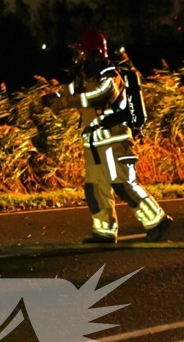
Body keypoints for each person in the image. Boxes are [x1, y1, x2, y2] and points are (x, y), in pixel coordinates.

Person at [42, 30, 171, 243]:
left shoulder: (111, 76)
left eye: (80, 52)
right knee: (94, 188)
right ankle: (104, 231)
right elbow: (68, 91)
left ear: (94, 52)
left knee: (123, 184)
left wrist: (66, 103)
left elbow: (101, 95)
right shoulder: (85, 78)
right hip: (94, 144)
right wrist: (50, 98)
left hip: (114, 141)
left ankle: (157, 220)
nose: (77, 58)